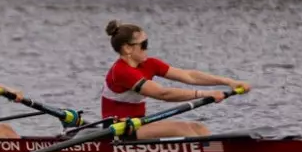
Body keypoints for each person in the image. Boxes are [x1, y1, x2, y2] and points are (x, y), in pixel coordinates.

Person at [99, 20, 249, 138]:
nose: (147, 48)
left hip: (138, 124)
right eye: (144, 44)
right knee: (181, 129)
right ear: (127, 48)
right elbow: (163, 94)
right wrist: (204, 94)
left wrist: (230, 82)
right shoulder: (121, 71)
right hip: (118, 129)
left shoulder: (149, 64)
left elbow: (190, 76)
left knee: (198, 127)